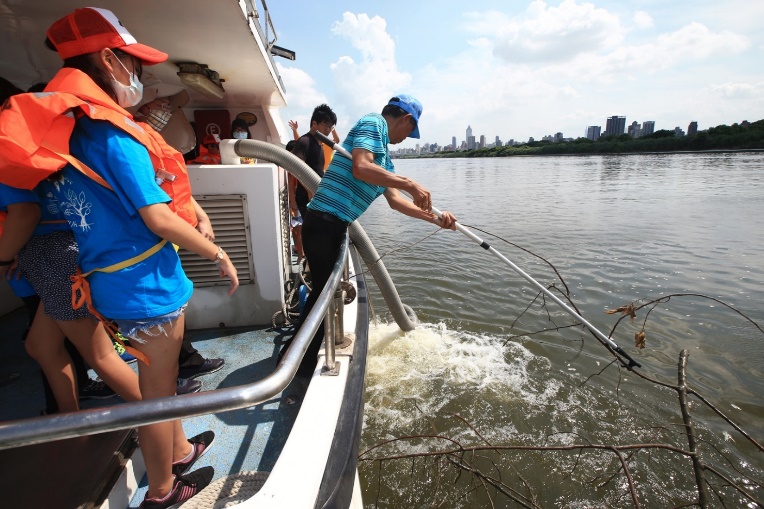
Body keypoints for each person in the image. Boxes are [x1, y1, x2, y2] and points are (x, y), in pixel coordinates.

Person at [7, 7, 239, 506]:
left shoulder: (71, 132)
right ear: (109, 60)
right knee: (156, 399)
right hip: (146, 288)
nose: (140, 74)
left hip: (110, 280)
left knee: (158, 385)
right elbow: (156, 217)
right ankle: (163, 490)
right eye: (134, 64)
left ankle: (175, 457)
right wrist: (217, 251)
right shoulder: (112, 134)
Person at [283, 95, 458, 374]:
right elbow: (361, 167)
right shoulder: (373, 122)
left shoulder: (386, 161)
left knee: (322, 295)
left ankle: (297, 357)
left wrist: (437, 219)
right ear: (406, 120)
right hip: (322, 222)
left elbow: (396, 201)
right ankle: (295, 361)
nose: (405, 139)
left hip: (335, 226)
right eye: (409, 132)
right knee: (323, 297)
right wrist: (410, 183)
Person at [133, 92, 226, 382]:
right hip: (148, 246)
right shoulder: (130, 148)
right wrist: (219, 256)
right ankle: (171, 382)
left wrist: (202, 217)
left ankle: (182, 365)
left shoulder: (148, 145)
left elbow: (173, 188)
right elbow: (157, 214)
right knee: (161, 317)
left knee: (173, 310)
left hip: (168, 241)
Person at [287, 104, 337, 220]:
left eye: (330, 127)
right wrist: (310, 191)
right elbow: (296, 167)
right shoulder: (305, 141)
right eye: (325, 125)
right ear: (314, 123)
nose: (328, 130)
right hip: (307, 199)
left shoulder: (319, 144)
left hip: (316, 196)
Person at [284, 140, 303, 259]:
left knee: (298, 231)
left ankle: (300, 253)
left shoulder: (298, 167)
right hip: (295, 205)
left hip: (298, 204)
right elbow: (291, 188)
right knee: (298, 231)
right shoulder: (292, 169)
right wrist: (295, 206)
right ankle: (301, 255)